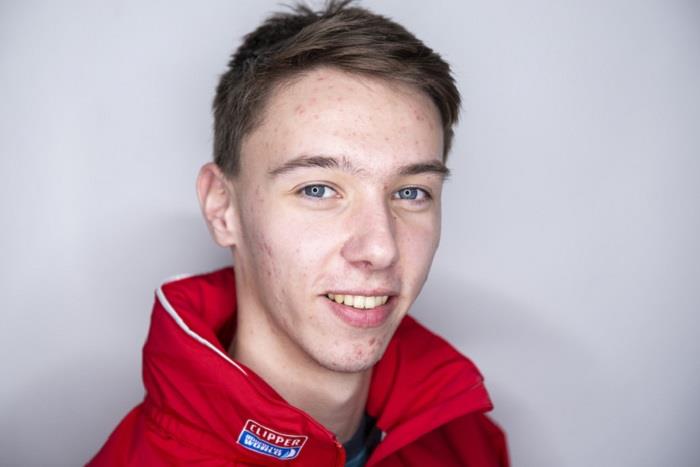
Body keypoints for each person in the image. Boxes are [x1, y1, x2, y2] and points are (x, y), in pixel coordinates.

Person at [89, 1, 508, 465]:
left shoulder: (470, 443)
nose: (380, 248)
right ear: (222, 207)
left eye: (410, 192)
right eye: (318, 189)